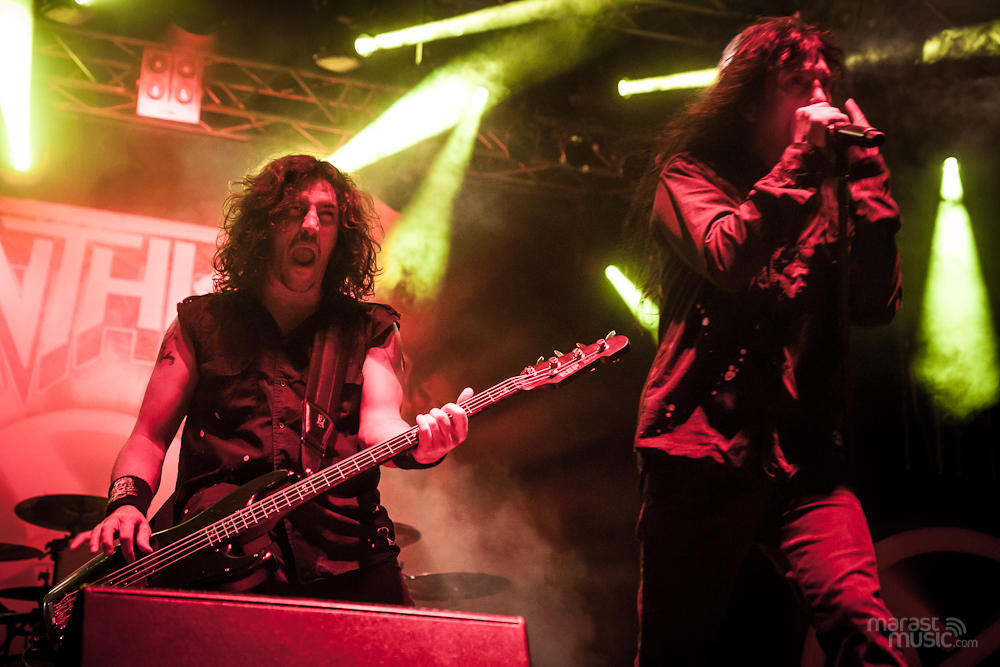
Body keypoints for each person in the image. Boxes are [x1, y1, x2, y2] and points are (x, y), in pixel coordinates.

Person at [72, 154, 472, 605]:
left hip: (344, 555)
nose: (310, 225)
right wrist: (126, 504)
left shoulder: (369, 329)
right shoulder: (201, 323)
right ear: (264, 226)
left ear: (340, 236)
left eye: (326, 215)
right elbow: (148, 437)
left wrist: (424, 445)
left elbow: (380, 426)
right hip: (216, 552)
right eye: (294, 211)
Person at [628, 16, 906, 666]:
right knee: (675, 652)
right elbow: (729, 256)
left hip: (803, 459)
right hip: (700, 451)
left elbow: (875, 307)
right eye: (799, 81)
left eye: (825, 80)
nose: (820, 94)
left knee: (865, 628)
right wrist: (802, 161)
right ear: (752, 98)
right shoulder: (686, 178)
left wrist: (869, 187)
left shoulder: (830, 196)